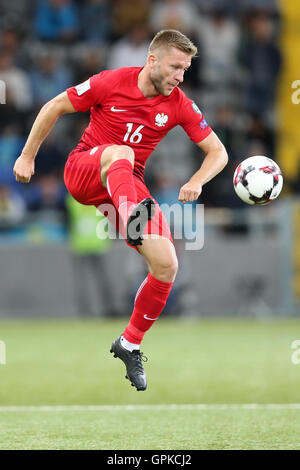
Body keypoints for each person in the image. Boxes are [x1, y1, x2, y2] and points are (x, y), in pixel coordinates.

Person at [13, 29, 228, 391]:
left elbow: (218, 152)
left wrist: (197, 181)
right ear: (152, 60)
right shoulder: (111, 82)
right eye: (176, 67)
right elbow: (55, 106)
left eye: (186, 70)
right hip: (86, 171)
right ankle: (131, 216)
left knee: (166, 263)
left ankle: (129, 343)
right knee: (122, 153)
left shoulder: (179, 103)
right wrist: (27, 155)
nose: (180, 76)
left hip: (124, 188)